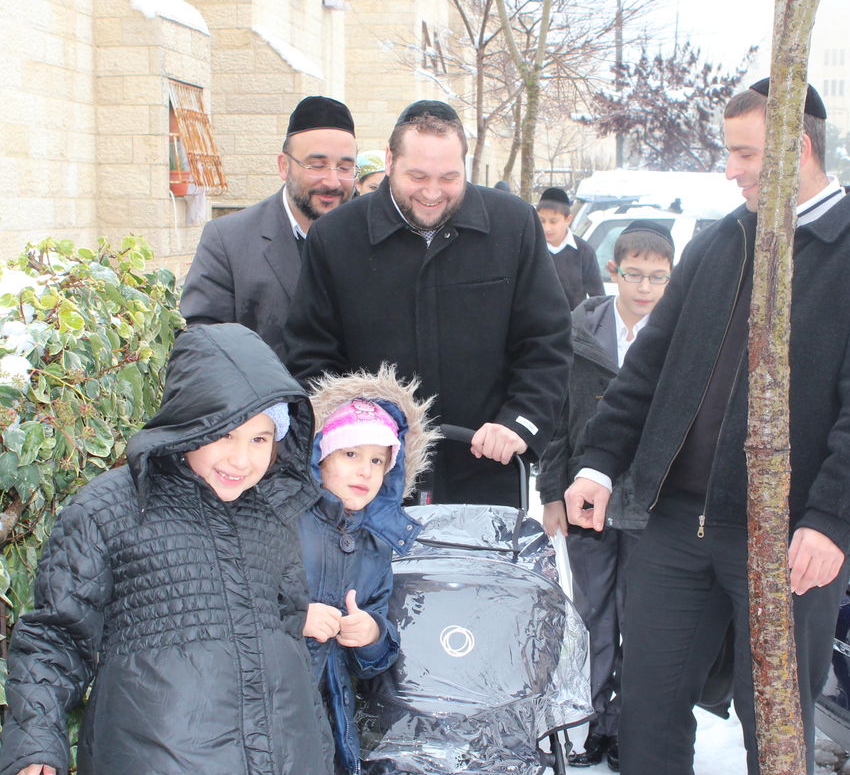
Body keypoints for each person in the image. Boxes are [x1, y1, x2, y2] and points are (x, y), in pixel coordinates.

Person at [565, 79, 850, 775]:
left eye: (744, 154)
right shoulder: (724, 242)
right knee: (652, 700)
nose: (730, 170)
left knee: (776, 720)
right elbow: (650, 368)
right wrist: (600, 460)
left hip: (784, 536)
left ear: (797, 150)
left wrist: (834, 520)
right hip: (670, 523)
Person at [0, 323, 341, 775]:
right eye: (224, 434)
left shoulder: (270, 516)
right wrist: (37, 738)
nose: (243, 458)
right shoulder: (111, 510)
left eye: (259, 439)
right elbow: (56, 634)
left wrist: (308, 770)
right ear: (187, 426)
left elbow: (288, 647)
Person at [285, 99, 571, 507]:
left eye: (449, 177)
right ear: (389, 161)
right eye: (417, 176)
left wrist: (519, 423)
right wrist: (349, 434)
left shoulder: (514, 225)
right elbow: (310, 355)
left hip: (486, 472)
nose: (433, 193)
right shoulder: (336, 238)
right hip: (370, 478)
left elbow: (547, 341)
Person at [289, 365, 439, 775]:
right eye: (350, 454)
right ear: (319, 455)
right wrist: (295, 617)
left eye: (378, 459)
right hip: (272, 699)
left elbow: (377, 651)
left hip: (328, 712)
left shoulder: (377, 544)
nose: (364, 470)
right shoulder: (286, 519)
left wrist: (371, 634)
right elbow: (245, 596)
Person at [538, 220, 674, 774]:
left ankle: (629, 726)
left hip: (651, 503)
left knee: (639, 615)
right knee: (593, 610)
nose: (645, 288)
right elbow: (556, 417)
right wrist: (551, 492)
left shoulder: (678, 332)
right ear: (614, 271)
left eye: (658, 278)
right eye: (635, 274)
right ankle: (591, 720)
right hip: (583, 494)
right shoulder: (580, 330)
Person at [181, 95, 357, 358]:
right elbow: (203, 348)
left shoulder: (373, 239)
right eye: (317, 165)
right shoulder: (228, 240)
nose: (332, 181)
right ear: (284, 166)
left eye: (345, 167)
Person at [537, 186, 604, 310]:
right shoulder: (532, 249)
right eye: (542, 221)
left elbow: (598, 297)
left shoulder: (584, 251)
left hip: (573, 324)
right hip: (536, 325)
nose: (547, 228)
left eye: (553, 221)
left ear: (568, 219)